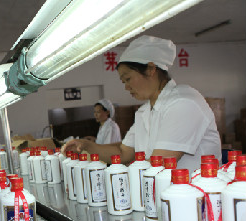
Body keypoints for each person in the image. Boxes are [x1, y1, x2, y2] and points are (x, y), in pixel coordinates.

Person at [62, 35, 221, 171]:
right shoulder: (145, 112)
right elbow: (123, 153)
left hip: (195, 199)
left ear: (151, 69)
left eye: (128, 78)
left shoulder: (184, 103)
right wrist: (85, 145)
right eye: (123, 81)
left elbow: (159, 164)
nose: (126, 86)